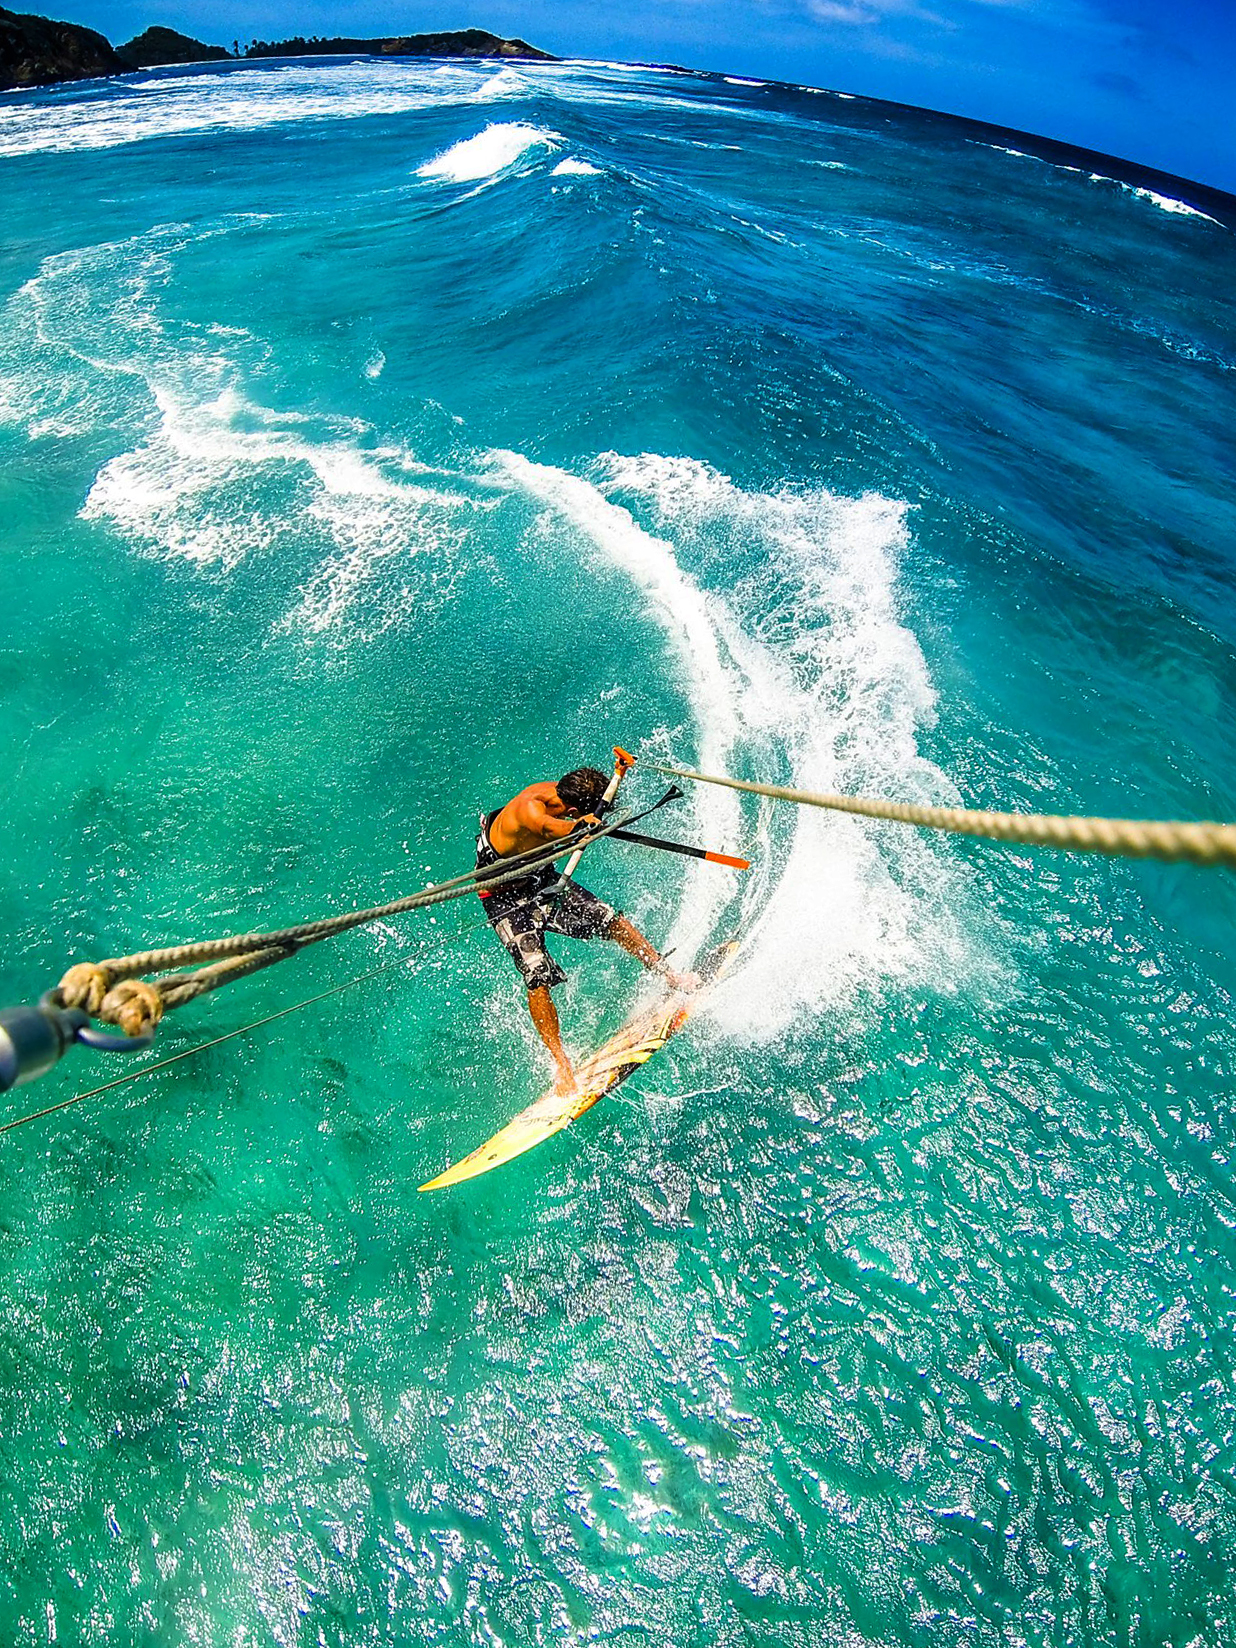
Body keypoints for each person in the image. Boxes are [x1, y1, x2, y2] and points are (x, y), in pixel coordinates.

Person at [476, 766, 697, 1095]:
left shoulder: (564, 792)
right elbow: (550, 827)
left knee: (610, 919)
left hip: (539, 876)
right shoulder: (531, 813)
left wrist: (614, 779)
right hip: (504, 894)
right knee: (536, 973)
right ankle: (561, 1064)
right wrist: (580, 827)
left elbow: (586, 811)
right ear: (574, 810)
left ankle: (670, 975)